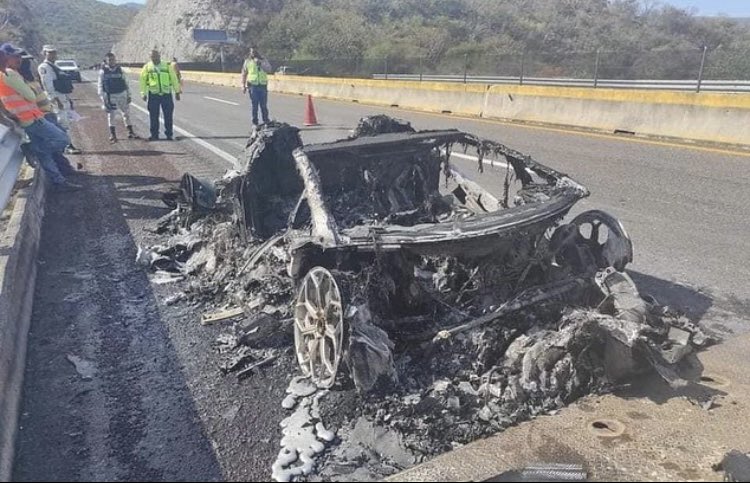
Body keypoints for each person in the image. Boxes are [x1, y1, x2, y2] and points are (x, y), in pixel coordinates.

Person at [0, 48, 80, 190]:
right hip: (33, 118)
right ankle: (33, 149)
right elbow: (31, 96)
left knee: (45, 156)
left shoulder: (13, 74)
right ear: (6, 58)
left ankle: (58, 181)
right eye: (15, 57)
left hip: (30, 117)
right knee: (63, 140)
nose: (20, 61)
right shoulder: (10, 74)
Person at [38, 45, 82, 154]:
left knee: (66, 122)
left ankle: (67, 145)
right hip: (57, 98)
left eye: (54, 53)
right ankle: (66, 146)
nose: (53, 55)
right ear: (44, 54)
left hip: (62, 97)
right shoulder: (44, 67)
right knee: (62, 122)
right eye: (50, 53)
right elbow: (47, 85)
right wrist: (56, 100)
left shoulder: (53, 66)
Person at [140, 50, 181, 141]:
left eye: (156, 56)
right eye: (152, 57)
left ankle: (169, 134)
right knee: (153, 116)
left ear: (159, 56)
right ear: (150, 58)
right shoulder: (147, 67)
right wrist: (143, 93)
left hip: (166, 94)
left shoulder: (167, 66)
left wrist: (177, 92)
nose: (154, 59)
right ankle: (154, 135)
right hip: (154, 95)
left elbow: (174, 78)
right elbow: (142, 81)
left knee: (168, 115)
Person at [99, 52, 137, 143]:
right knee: (111, 115)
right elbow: (100, 86)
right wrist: (103, 98)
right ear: (106, 61)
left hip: (122, 94)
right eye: (110, 60)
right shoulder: (103, 72)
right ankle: (113, 134)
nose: (112, 61)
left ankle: (130, 132)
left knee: (126, 113)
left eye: (113, 59)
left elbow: (126, 83)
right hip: (110, 96)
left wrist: (129, 95)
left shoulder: (121, 70)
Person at [241, 47, 273, 126]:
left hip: (262, 85)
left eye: (255, 52)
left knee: (263, 105)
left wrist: (260, 63)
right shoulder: (247, 61)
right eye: (252, 52)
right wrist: (243, 85)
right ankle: (255, 122)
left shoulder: (264, 60)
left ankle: (266, 120)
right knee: (254, 106)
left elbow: (269, 70)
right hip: (252, 86)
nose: (254, 53)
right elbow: (244, 74)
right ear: (250, 53)